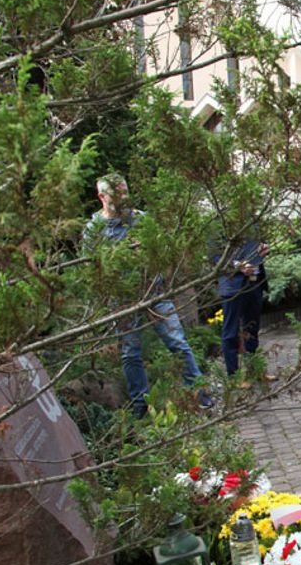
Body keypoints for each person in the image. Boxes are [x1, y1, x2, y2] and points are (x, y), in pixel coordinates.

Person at [84, 173, 213, 417]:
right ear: (102, 197)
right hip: (123, 302)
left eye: (125, 191)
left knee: (178, 343)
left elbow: (161, 253)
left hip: (154, 294)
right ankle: (141, 409)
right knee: (130, 353)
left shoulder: (142, 220)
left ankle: (200, 395)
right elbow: (93, 270)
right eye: (117, 193)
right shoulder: (94, 230)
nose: (124, 197)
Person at [213, 236, 269, 375]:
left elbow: (258, 244)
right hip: (232, 286)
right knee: (231, 332)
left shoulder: (254, 222)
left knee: (252, 329)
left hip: (255, 283)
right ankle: (234, 376)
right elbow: (215, 257)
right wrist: (239, 265)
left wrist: (264, 248)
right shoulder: (217, 225)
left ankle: (253, 371)